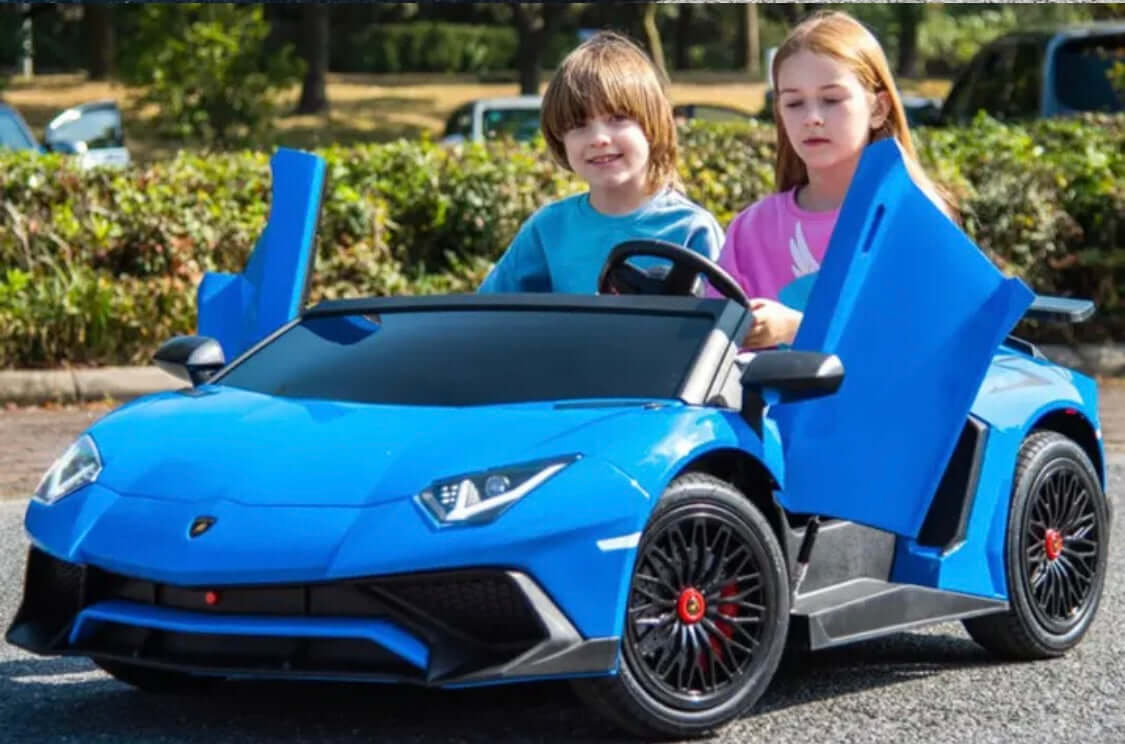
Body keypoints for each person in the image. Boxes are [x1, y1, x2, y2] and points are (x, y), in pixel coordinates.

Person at [714, 10, 956, 348]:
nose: (812, 118)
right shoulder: (750, 229)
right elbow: (711, 338)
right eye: (794, 103)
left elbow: (928, 338)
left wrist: (799, 327)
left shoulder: (915, 216)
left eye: (831, 99)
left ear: (878, 109)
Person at [478, 31, 723, 294]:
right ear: (560, 139)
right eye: (578, 125)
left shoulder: (691, 228)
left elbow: (729, 323)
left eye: (617, 118)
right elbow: (489, 314)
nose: (599, 139)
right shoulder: (548, 229)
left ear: (653, 125)